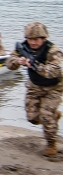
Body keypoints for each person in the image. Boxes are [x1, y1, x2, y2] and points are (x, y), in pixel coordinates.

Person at [6, 22, 61, 157]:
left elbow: (55, 71)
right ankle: (54, 116)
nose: (33, 42)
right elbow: (8, 63)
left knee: (46, 116)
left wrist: (36, 66)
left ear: (43, 38)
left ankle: (51, 144)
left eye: (36, 39)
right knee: (32, 118)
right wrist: (17, 61)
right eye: (30, 39)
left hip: (53, 87)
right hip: (34, 86)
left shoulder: (53, 51)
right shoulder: (23, 47)